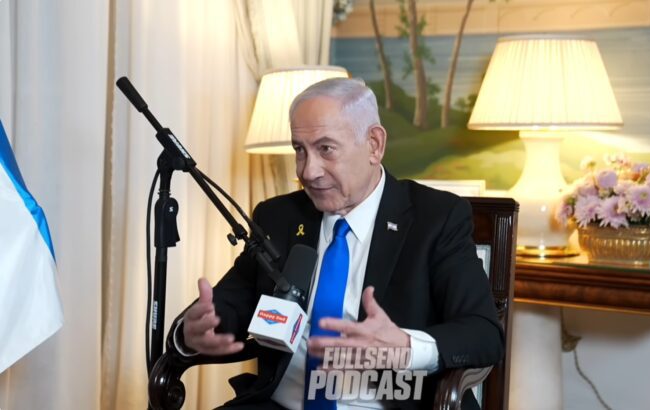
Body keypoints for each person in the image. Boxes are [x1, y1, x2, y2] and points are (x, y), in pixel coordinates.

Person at [169, 78, 503, 409]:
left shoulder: (436, 218)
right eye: (300, 150)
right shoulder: (278, 216)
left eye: (325, 149)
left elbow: (483, 333)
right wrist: (192, 332)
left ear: (374, 145)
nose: (308, 171)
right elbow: (228, 305)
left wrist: (406, 347)